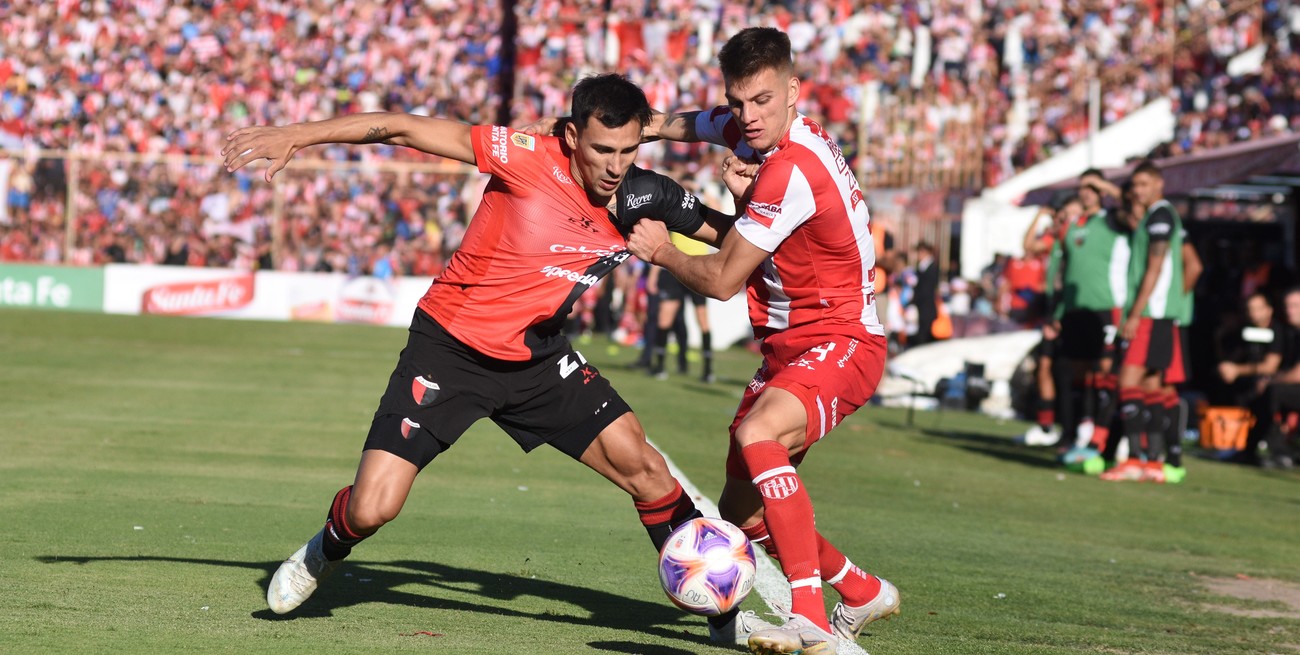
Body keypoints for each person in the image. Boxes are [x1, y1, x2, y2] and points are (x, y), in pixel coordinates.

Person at [221, 74, 778, 644]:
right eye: (601, 150)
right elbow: (403, 128)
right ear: (570, 136)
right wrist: (298, 134)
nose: (615, 166)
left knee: (647, 470)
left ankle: (722, 614)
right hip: (449, 350)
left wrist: (746, 201)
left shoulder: (647, 196)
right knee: (372, 509)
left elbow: (742, 243)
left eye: (628, 151)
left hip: (539, 360)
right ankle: (324, 550)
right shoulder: (525, 158)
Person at [632, 26, 899, 655]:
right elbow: (692, 124)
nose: (747, 117)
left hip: (842, 341)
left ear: (794, 91)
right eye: (738, 102)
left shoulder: (790, 170)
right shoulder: (760, 132)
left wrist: (663, 251)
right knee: (745, 517)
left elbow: (725, 280)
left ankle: (807, 616)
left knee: (759, 436)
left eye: (762, 101)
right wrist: (634, 127)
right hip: (789, 348)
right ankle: (861, 591)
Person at [1101, 162, 1185, 483]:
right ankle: (1153, 462)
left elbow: (1155, 266)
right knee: (1151, 385)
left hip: (1152, 312)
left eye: (1144, 184)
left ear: (1159, 184)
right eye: (1135, 185)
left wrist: (1134, 314)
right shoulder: (1153, 216)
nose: (1138, 190)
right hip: (1160, 313)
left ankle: (1135, 458)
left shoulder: (1161, 215)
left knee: (1127, 380)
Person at [1050, 171, 1130, 468]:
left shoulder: (1112, 220)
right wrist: (1056, 311)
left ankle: (1103, 438)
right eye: (1082, 187)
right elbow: (1063, 270)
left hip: (1105, 308)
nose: (1086, 192)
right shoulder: (1073, 225)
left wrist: (1108, 187)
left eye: (1091, 187)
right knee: (1074, 374)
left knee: (1106, 373)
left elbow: (1135, 210)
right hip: (1074, 310)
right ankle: (1072, 435)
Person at [647, 233, 717, 382]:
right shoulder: (670, 210)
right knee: (664, 319)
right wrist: (653, 274)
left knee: (702, 320)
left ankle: (707, 371)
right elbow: (662, 240)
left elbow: (718, 211)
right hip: (672, 268)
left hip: (699, 266)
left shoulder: (706, 209)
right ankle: (659, 367)